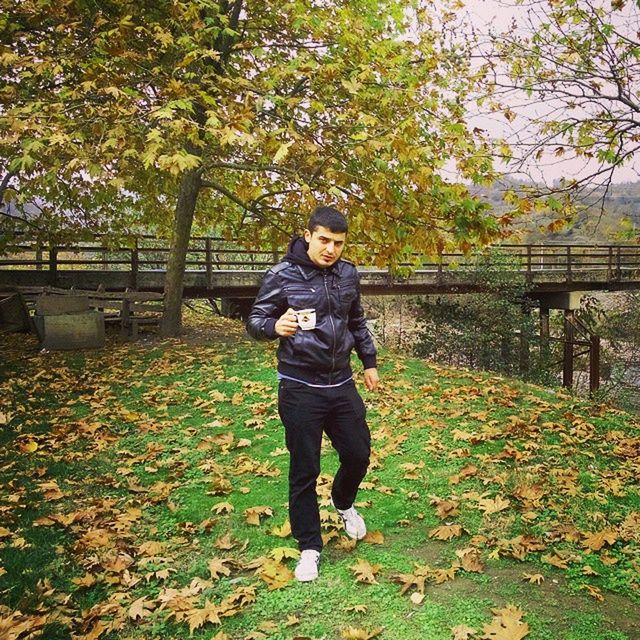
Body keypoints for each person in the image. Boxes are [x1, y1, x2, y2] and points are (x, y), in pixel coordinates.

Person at [246, 205, 379, 582]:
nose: (330, 249)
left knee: (358, 453)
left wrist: (368, 362)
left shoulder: (348, 273)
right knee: (305, 468)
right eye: (324, 240)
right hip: (300, 385)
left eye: (338, 243)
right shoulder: (282, 275)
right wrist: (276, 325)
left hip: (341, 383)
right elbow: (254, 322)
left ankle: (343, 502)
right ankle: (309, 547)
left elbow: (356, 321)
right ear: (308, 236)